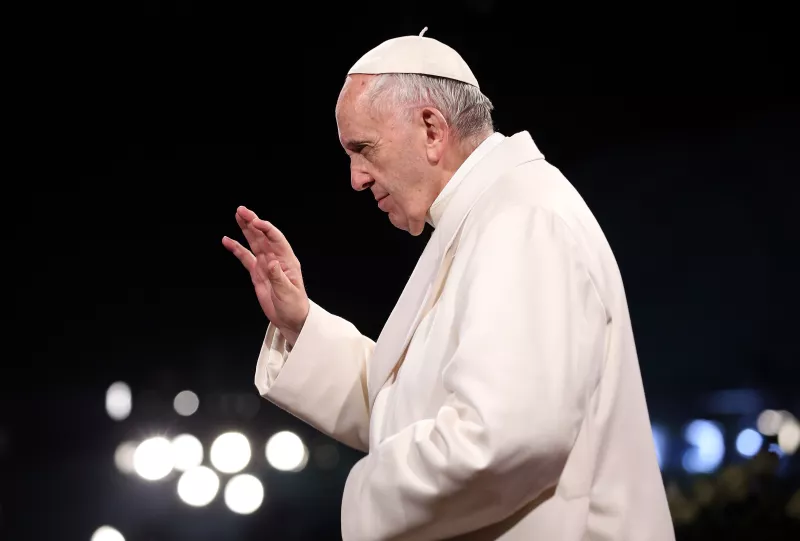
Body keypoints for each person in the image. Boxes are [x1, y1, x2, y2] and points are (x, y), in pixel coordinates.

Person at [222, 29, 675, 541]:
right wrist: (300, 322)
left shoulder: (521, 218)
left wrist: (361, 497)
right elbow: (405, 411)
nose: (356, 178)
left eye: (363, 149)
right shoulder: (486, 217)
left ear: (432, 129)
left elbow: (506, 436)